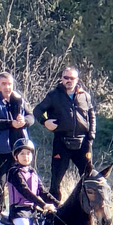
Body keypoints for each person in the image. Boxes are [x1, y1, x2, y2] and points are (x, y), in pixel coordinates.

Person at [33, 66, 96, 201]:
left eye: (71, 78)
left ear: (77, 80)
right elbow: (37, 111)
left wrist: (91, 136)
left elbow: (91, 115)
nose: (68, 80)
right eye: (65, 77)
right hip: (62, 141)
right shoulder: (53, 95)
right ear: (61, 79)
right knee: (56, 178)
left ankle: (87, 204)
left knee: (88, 176)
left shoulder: (84, 95)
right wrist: (45, 122)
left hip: (83, 142)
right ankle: (54, 207)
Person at [0, 72, 34, 214]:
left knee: (22, 181)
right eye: (4, 84)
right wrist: (12, 124)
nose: (7, 87)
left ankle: (22, 209)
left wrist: (24, 121)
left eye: (9, 84)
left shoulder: (19, 99)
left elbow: (31, 117)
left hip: (19, 149)